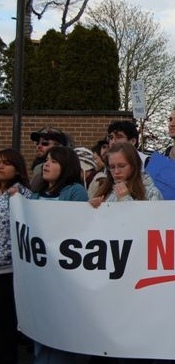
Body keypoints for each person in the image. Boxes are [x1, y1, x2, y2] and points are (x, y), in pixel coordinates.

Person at [29, 146, 88, 364]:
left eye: (53, 161)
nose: (46, 164)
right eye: (46, 160)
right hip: (40, 279)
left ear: (66, 167)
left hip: (63, 280)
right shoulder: (35, 194)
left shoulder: (75, 192)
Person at [0, 149, 32, 364]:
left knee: (4, 329)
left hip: (8, 271)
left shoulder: (22, 194)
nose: (1, 166)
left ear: (17, 168)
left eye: (6, 163)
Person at [90, 142, 162, 206]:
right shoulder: (105, 191)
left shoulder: (151, 192)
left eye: (122, 166)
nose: (116, 171)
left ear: (134, 165)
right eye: (112, 167)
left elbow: (152, 219)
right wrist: (97, 208)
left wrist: (125, 200)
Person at [29, 127, 69, 191]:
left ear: (59, 147)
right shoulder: (37, 167)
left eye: (45, 143)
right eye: (37, 143)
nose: (39, 146)